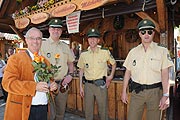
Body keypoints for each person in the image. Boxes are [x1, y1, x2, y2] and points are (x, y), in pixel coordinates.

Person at [121, 19, 174, 120]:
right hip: (137, 92)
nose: (146, 34)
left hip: (155, 93)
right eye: (143, 32)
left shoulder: (162, 51)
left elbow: (165, 74)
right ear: (139, 34)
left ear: (153, 33)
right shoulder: (133, 52)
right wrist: (124, 91)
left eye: (149, 32)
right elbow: (127, 73)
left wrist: (166, 95)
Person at [2, 27, 58, 120]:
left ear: (41, 41)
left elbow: (50, 82)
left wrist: (53, 86)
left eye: (39, 38)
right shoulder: (15, 59)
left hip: (43, 109)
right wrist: (34, 87)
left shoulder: (46, 62)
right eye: (32, 38)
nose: (35, 41)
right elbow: (7, 83)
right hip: (23, 110)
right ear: (26, 40)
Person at [77, 28, 116, 120]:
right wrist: (81, 87)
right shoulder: (83, 54)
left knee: (103, 110)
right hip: (88, 85)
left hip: (101, 86)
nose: (92, 40)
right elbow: (81, 70)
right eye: (90, 38)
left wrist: (111, 76)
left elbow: (114, 64)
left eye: (95, 38)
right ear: (87, 40)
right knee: (88, 110)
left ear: (98, 40)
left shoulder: (105, 52)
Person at [41, 18, 75, 120]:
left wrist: (70, 74)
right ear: (49, 29)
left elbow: (70, 63)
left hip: (62, 85)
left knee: (60, 113)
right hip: (47, 85)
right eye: (53, 28)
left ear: (61, 31)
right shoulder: (42, 45)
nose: (56, 31)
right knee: (49, 114)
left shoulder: (65, 47)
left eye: (58, 29)